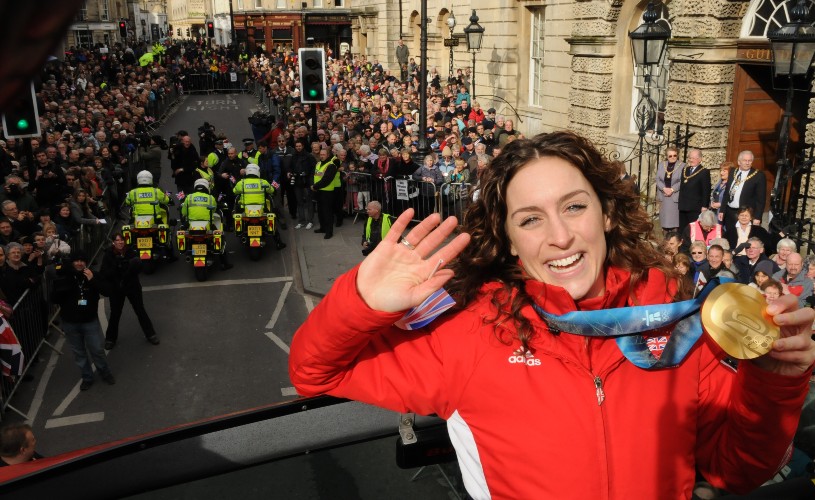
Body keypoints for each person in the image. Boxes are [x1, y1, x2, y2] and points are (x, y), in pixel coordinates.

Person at [289, 131, 815, 499]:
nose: (559, 236)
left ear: (607, 213)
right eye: (531, 219)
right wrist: (360, 301)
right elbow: (315, 373)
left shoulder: (674, 318)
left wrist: (775, 383)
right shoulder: (470, 329)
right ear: (511, 240)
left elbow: (736, 471)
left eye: (574, 206)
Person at [53, 250, 115, 391]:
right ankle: (87, 377)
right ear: (72, 262)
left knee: (97, 350)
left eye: (82, 260)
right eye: (76, 260)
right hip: (70, 323)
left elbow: (107, 291)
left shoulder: (92, 275)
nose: (79, 263)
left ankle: (105, 373)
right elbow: (54, 298)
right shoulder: (65, 277)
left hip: (89, 321)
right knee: (79, 353)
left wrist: (92, 280)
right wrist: (65, 282)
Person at [99, 233, 161, 350]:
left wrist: (129, 266)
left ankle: (151, 334)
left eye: (122, 240)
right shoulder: (108, 254)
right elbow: (104, 272)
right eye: (117, 240)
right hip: (117, 288)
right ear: (113, 242)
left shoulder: (131, 251)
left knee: (140, 310)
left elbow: (138, 268)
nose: (120, 242)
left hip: (132, 286)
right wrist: (116, 266)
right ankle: (110, 339)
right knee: (115, 314)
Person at [180, 179, 234, 270]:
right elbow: (213, 210)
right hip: (207, 225)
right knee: (220, 235)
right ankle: (224, 263)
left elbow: (184, 212)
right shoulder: (210, 198)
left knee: (183, 231)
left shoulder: (189, 197)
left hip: (192, 226)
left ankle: (188, 251)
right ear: (206, 187)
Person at [233, 165, 286, 250]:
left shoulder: (241, 183)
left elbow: (235, 191)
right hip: (261, 209)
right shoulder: (263, 182)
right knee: (271, 219)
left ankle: (241, 232)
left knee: (237, 212)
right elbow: (271, 190)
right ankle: (279, 243)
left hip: (245, 209)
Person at [723, 150, 766, 234]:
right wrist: (722, 210)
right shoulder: (732, 172)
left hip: (745, 214)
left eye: (749, 161)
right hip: (730, 212)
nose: (747, 163)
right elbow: (727, 192)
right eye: (745, 160)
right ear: (739, 162)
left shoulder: (758, 175)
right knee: (730, 235)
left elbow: (761, 199)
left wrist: (757, 217)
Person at [677, 149, 711, 230]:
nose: (691, 160)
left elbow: (706, 190)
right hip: (683, 205)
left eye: (693, 158)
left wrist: (704, 206)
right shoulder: (685, 170)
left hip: (695, 207)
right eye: (689, 158)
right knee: (682, 229)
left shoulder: (704, 172)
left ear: (699, 159)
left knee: (693, 229)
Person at [311, 148, 340, 240]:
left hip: (327, 192)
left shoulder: (331, 165)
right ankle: (322, 228)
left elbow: (327, 180)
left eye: (324, 154)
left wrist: (315, 186)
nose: (322, 156)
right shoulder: (318, 163)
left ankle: (329, 232)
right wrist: (314, 186)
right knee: (320, 211)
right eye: (321, 154)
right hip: (318, 191)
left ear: (328, 155)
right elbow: (315, 176)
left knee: (327, 212)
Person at [655, 146, 683, 233]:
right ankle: (665, 242)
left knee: (673, 223)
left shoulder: (683, 165)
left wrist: (672, 189)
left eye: (675, 155)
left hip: (674, 196)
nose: (673, 157)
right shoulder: (661, 164)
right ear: (667, 156)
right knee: (664, 223)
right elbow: (657, 179)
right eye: (670, 156)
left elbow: (683, 181)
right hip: (663, 196)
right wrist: (663, 188)